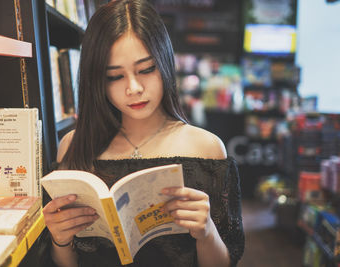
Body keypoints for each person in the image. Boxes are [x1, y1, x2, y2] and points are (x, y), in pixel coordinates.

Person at [41, 0, 244, 266]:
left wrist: (206, 232)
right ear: (96, 81)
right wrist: (60, 240)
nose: (134, 88)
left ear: (165, 62)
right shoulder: (74, 146)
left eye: (146, 69)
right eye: (115, 76)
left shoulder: (206, 148)